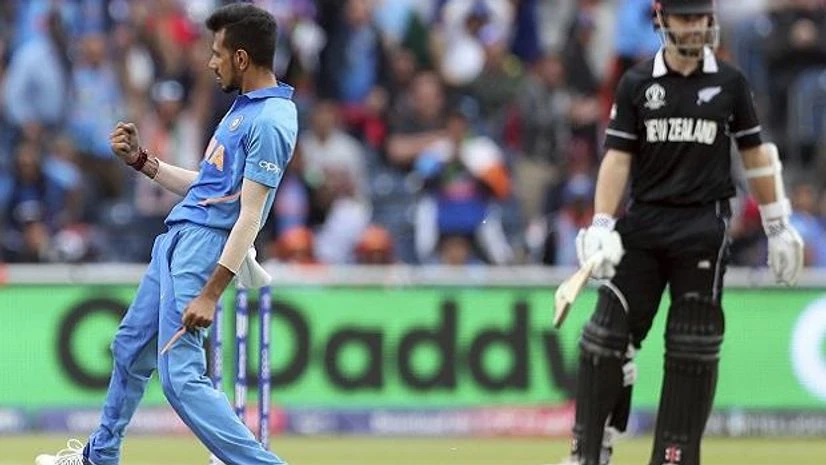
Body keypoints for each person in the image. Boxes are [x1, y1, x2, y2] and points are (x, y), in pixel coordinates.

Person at [34, 4, 297, 465]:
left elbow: (249, 217)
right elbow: (211, 188)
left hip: (202, 249)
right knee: (130, 348)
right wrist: (143, 162)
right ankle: (100, 456)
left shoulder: (272, 120)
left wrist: (211, 293)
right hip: (178, 238)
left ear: (241, 58)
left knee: (180, 378)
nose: (210, 63)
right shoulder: (244, 109)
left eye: (217, 53)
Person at [556, 1, 804, 464]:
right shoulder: (636, 82)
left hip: (701, 227)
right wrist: (602, 222)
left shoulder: (730, 82)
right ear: (661, 19)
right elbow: (618, 158)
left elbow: (755, 154)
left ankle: (674, 456)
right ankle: (587, 451)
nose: (694, 27)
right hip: (644, 224)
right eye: (685, 17)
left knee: (693, 346)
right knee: (604, 338)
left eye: (700, 17)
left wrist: (777, 224)